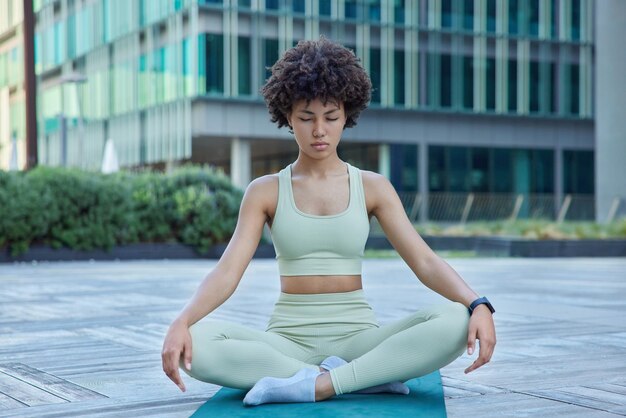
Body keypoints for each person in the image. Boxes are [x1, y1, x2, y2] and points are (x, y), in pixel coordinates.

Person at [161, 37, 496, 406]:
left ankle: (318, 384)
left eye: (331, 117)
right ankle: (363, 377)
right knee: (195, 343)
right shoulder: (265, 191)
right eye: (306, 118)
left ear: (346, 116)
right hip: (285, 341)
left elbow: (424, 260)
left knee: (454, 320)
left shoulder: (373, 187)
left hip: (358, 338)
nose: (319, 130)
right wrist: (182, 320)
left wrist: (477, 303)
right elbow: (228, 272)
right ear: (287, 116)